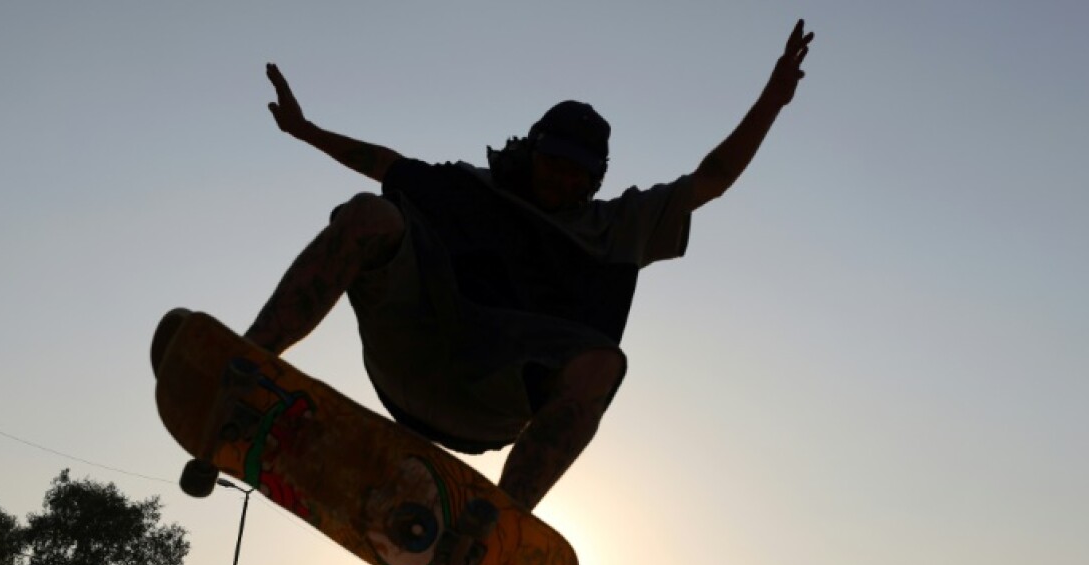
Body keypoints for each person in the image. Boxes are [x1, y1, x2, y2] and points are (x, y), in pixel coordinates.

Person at [246, 20, 814, 512]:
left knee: (603, 365)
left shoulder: (616, 227)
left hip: (487, 406)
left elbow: (710, 179)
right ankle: (250, 360)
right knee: (371, 214)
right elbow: (384, 164)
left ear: (596, 179)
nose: (562, 180)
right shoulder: (471, 188)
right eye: (554, 163)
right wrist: (306, 131)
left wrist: (773, 99)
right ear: (533, 149)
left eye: (578, 173)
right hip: (410, 351)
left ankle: (498, 519)